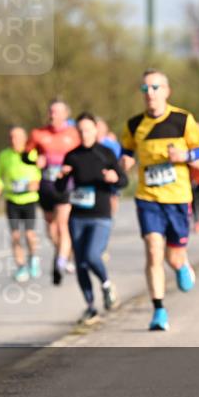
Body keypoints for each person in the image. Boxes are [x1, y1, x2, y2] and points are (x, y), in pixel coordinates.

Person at [120, 69, 199, 332]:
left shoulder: (182, 119)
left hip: (178, 197)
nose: (150, 94)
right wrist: (125, 161)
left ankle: (181, 264)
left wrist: (185, 156)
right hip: (148, 197)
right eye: (145, 89)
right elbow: (127, 151)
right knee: (153, 249)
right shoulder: (134, 125)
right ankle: (159, 310)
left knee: (173, 256)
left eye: (155, 88)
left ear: (167, 91)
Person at [57, 113, 128, 324]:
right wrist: (61, 177)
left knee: (92, 255)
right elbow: (61, 190)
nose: (84, 134)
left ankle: (106, 285)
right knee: (80, 264)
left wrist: (115, 178)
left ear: (96, 130)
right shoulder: (72, 156)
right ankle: (90, 307)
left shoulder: (105, 153)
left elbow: (123, 180)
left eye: (87, 130)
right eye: (80, 131)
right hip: (78, 216)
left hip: (101, 215)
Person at [26, 99, 81, 285]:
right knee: (51, 229)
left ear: (66, 114)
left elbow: (84, 154)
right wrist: (35, 161)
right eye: (50, 111)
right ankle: (64, 253)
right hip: (46, 186)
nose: (52, 115)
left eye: (56, 112)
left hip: (66, 185)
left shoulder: (74, 134)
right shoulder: (38, 133)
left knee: (62, 224)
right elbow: (25, 155)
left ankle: (60, 261)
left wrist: (71, 168)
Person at [0, 126, 42, 283]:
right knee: (15, 236)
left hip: (29, 199)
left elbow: (41, 173)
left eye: (18, 137)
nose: (14, 140)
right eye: (11, 137)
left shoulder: (32, 154)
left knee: (29, 234)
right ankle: (21, 267)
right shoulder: (4, 155)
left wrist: (36, 182)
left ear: (25, 138)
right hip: (12, 200)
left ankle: (33, 258)